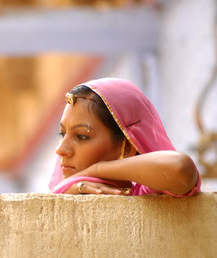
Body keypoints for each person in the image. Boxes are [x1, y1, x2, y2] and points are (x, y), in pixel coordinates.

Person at [49, 78, 201, 196]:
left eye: (82, 136)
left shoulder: (145, 197)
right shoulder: (50, 202)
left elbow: (180, 168)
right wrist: (73, 188)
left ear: (127, 147)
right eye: (62, 134)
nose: (61, 149)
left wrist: (94, 171)